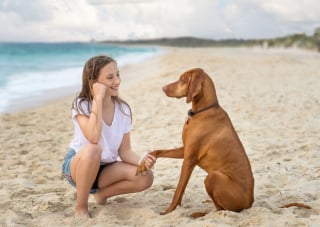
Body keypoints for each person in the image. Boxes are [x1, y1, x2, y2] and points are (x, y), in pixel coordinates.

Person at [62, 55, 156, 218]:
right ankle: (81, 207)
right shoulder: (81, 105)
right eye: (110, 77)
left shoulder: (123, 109)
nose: (117, 81)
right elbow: (93, 137)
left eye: (118, 75)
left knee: (145, 177)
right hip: (78, 167)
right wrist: (97, 98)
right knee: (93, 149)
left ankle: (102, 194)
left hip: (106, 169)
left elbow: (125, 151)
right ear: (94, 82)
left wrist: (143, 162)